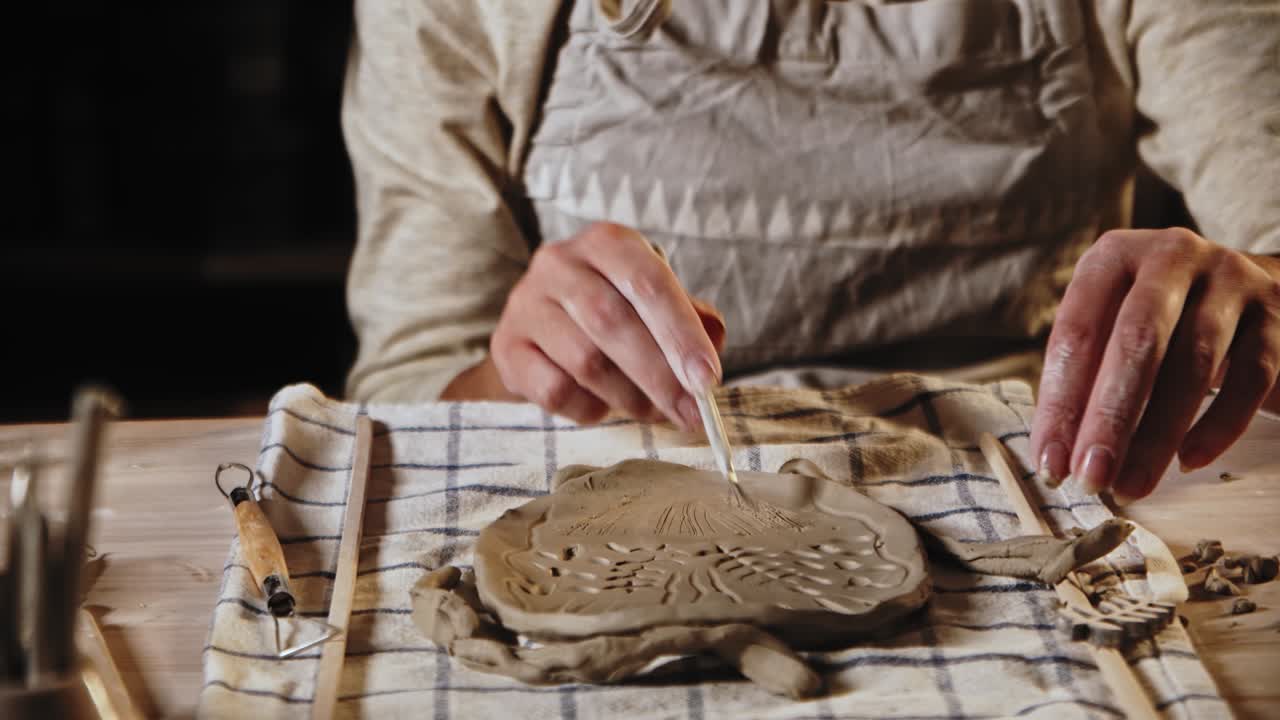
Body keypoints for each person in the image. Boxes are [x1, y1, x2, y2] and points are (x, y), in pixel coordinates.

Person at [338, 0, 1279, 505]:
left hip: (1038, 483)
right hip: (613, 491)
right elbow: (406, 392)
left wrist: (1252, 301)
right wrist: (527, 369)